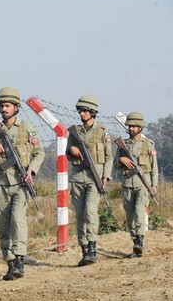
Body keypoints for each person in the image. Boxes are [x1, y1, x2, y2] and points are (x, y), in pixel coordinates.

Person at [0, 87, 45, 281]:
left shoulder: (26, 128)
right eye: (1, 106)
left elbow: (39, 152)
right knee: (4, 225)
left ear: (16, 107)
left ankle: (19, 260)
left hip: (21, 183)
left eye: (7, 105)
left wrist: (31, 170)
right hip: (2, 183)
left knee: (18, 220)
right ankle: (10, 264)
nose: (3, 109)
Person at [66, 96, 113, 266]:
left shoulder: (102, 132)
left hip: (95, 178)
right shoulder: (74, 132)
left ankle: (92, 248)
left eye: (85, 111)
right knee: (80, 215)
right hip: (78, 177)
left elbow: (109, 157)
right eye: (80, 111)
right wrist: (71, 149)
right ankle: (84, 249)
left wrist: (106, 177)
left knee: (90, 212)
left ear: (93, 112)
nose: (82, 113)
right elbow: (67, 153)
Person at [113, 111, 158, 258]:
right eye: (129, 126)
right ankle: (135, 243)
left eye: (134, 126)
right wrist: (121, 160)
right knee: (130, 214)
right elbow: (115, 164)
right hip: (127, 184)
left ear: (140, 127)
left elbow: (154, 167)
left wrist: (154, 185)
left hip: (143, 185)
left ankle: (140, 241)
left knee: (139, 211)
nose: (131, 128)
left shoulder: (148, 144)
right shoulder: (123, 145)